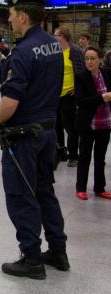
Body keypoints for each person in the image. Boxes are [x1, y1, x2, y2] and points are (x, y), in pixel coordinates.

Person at [0, 0, 68, 279]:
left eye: (12, 16)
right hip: (48, 130)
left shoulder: (22, 51)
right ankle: (58, 251)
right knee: (44, 190)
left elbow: (11, 101)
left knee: (20, 194)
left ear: (23, 17)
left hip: (24, 136)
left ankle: (32, 259)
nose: (10, 21)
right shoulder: (54, 45)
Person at [74, 46, 111, 200]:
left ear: (100, 59)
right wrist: (101, 98)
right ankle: (81, 187)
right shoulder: (81, 77)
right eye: (87, 59)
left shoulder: (108, 74)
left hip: (105, 124)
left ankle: (99, 188)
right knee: (84, 157)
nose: (89, 62)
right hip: (88, 124)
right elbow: (81, 101)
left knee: (100, 158)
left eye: (93, 58)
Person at [54, 27, 85, 168]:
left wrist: (77, 89)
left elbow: (82, 72)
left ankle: (73, 156)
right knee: (56, 126)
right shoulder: (55, 51)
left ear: (63, 37)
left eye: (56, 35)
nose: (54, 37)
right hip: (56, 95)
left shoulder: (75, 51)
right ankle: (61, 153)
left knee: (71, 128)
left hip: (69, 95)